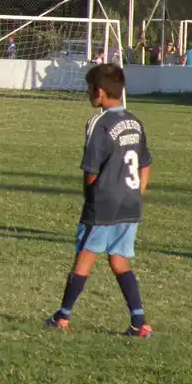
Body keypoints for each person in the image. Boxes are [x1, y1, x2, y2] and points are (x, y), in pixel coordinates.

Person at [44, 63, 154, 339]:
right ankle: (139, 323)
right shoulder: (135, 121)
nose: (88, 94)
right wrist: (136, 194)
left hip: (104, 204)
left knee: (84, 259)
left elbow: (91, 171)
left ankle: (63, 317)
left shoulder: (99, 124)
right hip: (130, 203)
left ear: (101, 92)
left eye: (90, 89)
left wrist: (89, 198)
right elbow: (145, 164)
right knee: (119, 262)